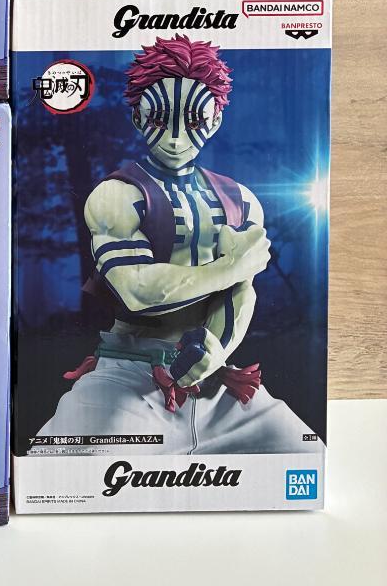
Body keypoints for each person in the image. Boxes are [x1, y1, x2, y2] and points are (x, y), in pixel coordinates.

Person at [35, 35, 318, 454]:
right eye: (159, 118)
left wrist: (218, 348)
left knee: (304, 453)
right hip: (127, 376)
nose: (174, 136)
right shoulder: (118, 195)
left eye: (193, 119)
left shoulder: (239, 199)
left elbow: (241, 292)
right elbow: (136, 291)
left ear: (215, 120)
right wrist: (232, 266)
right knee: (71, 466)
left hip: (217, 380)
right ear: (137, 117)